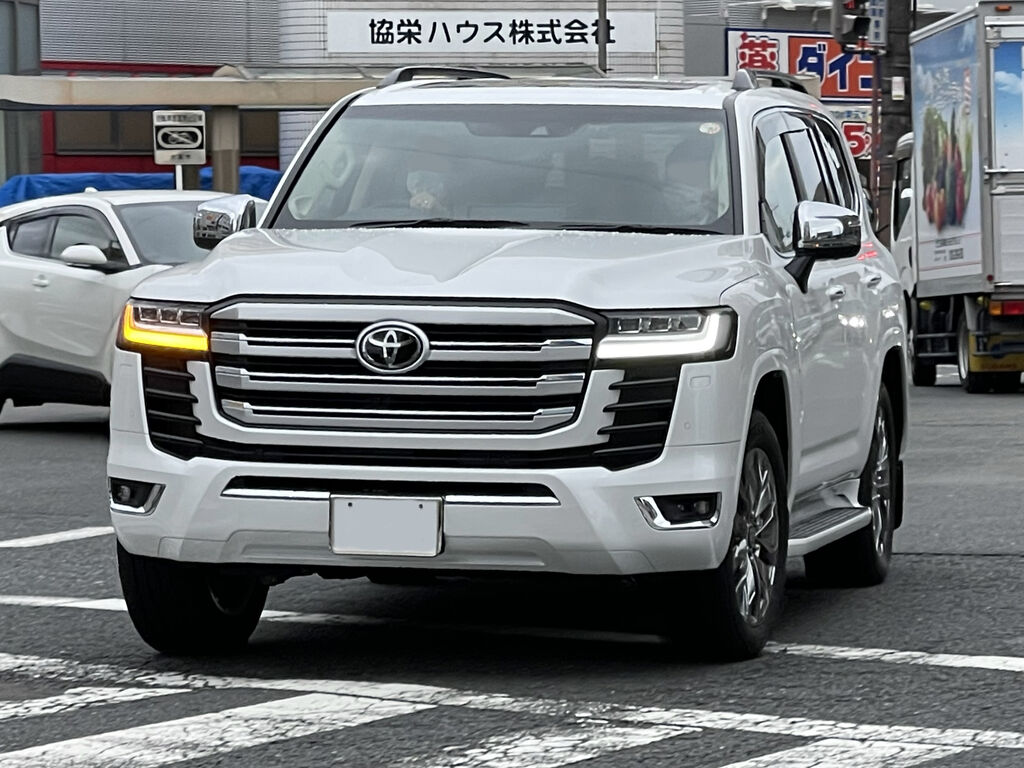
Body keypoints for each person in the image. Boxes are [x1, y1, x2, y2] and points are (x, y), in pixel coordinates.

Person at [663, 138, 720, 225]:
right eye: (672, 183)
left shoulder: (731, 226)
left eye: (688, 184)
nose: (679, 193)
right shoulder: (650, 222)